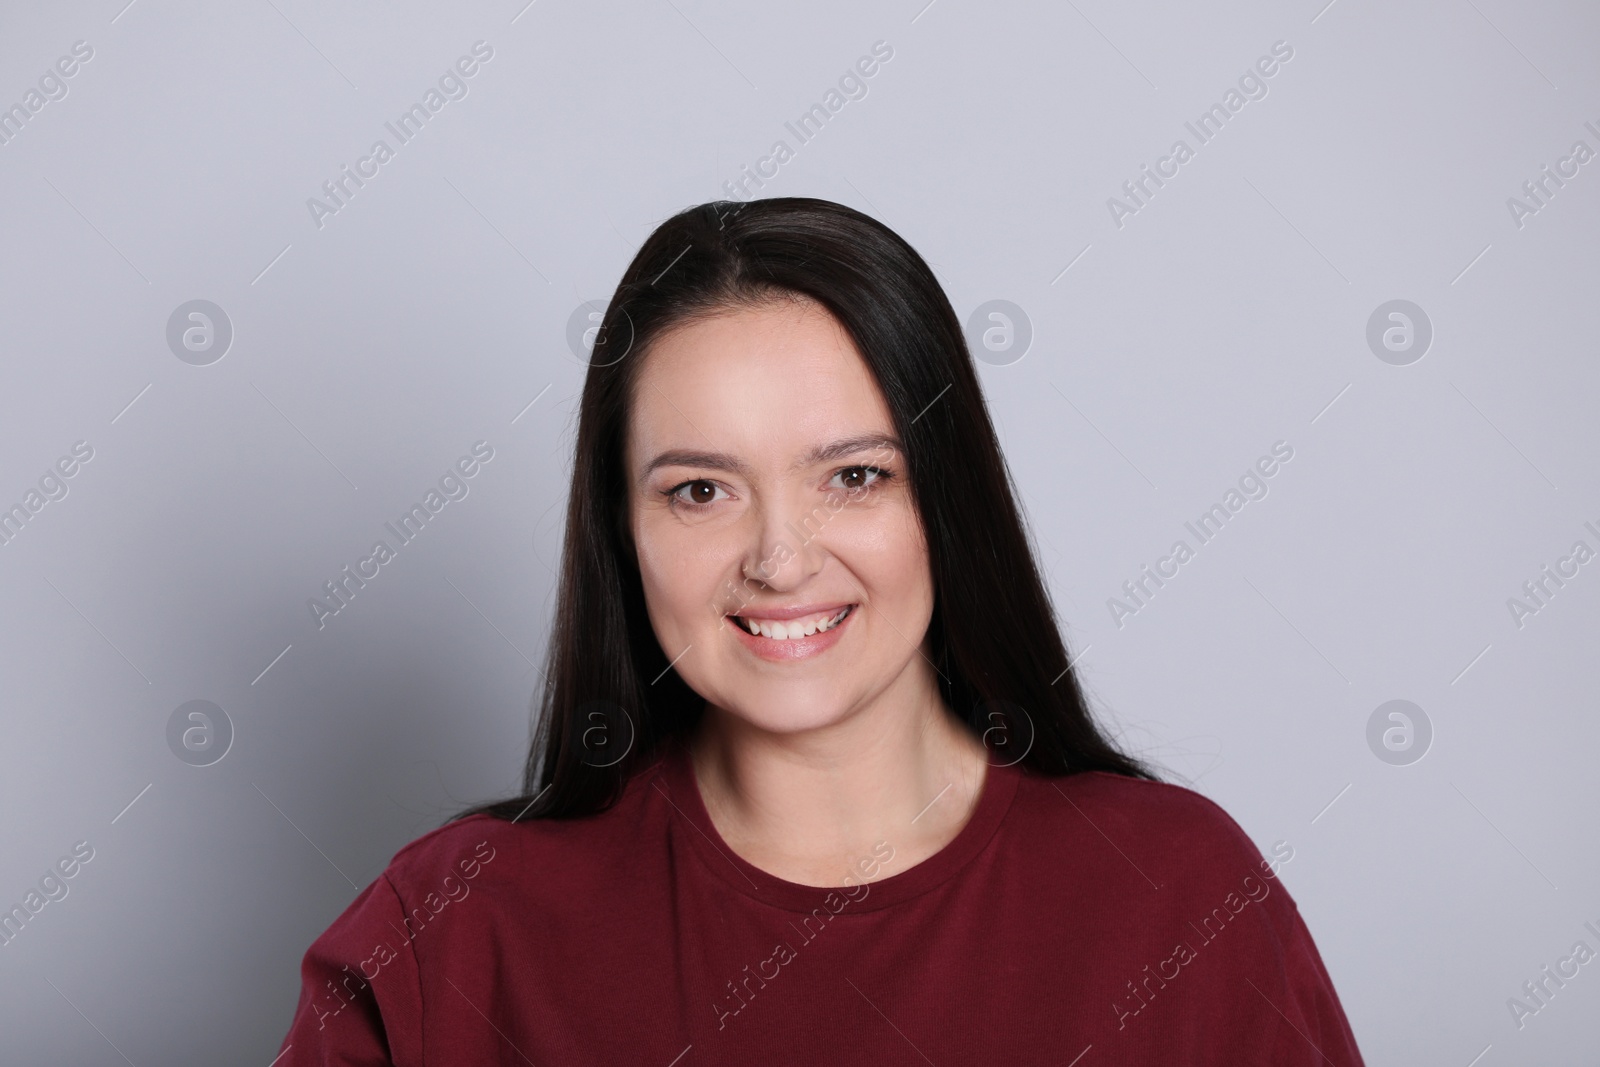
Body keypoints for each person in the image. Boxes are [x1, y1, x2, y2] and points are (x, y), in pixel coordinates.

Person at [274, 197, 1365, 1064]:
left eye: (852, 476)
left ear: (946, 498)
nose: (780, 558)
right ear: (624, 529)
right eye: (701, 490)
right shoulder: (454, 928)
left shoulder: (1177, 895)